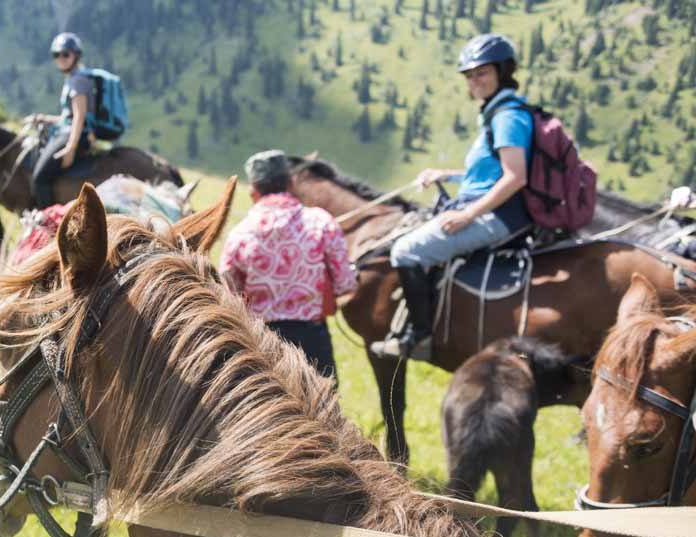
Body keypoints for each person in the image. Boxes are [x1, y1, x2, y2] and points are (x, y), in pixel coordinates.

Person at [371, 33, 532, 361]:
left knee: (406, 251)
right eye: (470, 75)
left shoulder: (507, 118)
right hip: (492, 208)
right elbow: (488, 175)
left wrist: (468, 215)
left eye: (482, 73)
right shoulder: (497, 113)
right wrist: (447, 175)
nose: (475, 81)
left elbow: (516, 177)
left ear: (502, 72)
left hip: (498, 216)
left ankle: (419, 337)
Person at [220, 150, 357, 381]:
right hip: (313, 341)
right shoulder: (321, 222)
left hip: (262, 343)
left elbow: (229, 296)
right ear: (291, 183)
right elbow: (345, 284)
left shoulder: (239, 235)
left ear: (254, 191)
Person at [29, 32, 94, 210]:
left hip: (72, 136)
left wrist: (70, 148)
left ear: (76, 55)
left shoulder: (78, 80)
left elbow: (79, 116)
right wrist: (45, 119)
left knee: (39, 178)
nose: (61, 58)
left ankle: (49, 225)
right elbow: (69, 116)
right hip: (69, 131)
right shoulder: (73, 78)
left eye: (66, 54)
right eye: (56, 55)